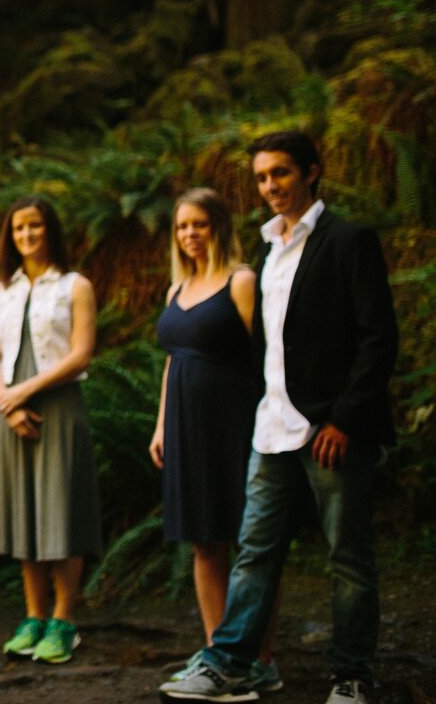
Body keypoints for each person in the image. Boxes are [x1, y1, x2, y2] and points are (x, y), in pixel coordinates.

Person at [161, 132, 398, 704]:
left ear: (312, 173)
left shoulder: (348, 241)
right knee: (255, 551)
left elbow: (378, 338)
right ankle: (232, 664)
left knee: (347, 556)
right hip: (271, 429)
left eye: (282, 174)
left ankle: (353, 676)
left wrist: (344, 418)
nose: (271, 186)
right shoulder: (267, 252)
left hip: (330, 432)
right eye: (263, 177)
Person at [149, 189, 281, 693]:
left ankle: (262, 659)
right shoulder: (176, 289)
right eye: (182, 226)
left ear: (218, 227)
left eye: (199, 224)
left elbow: (265, 357)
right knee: (204, 540)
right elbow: (172, 361)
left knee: (250, 540)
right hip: (185, 426)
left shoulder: (242, 281)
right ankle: (217, 654)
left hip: (237, 423)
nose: (189, 235)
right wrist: (162, 424)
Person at [0, 195, 101, 665]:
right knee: (24, 512)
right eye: (18, 229)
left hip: (59, 405)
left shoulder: (75, 286)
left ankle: (64, 620)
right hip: (10, 407)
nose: (27, 236)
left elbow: (80, 354)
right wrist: (5, 402)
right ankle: (33, 616)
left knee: (61, 510)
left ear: (50, 230)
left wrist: (23, 391)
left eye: (35, 227)